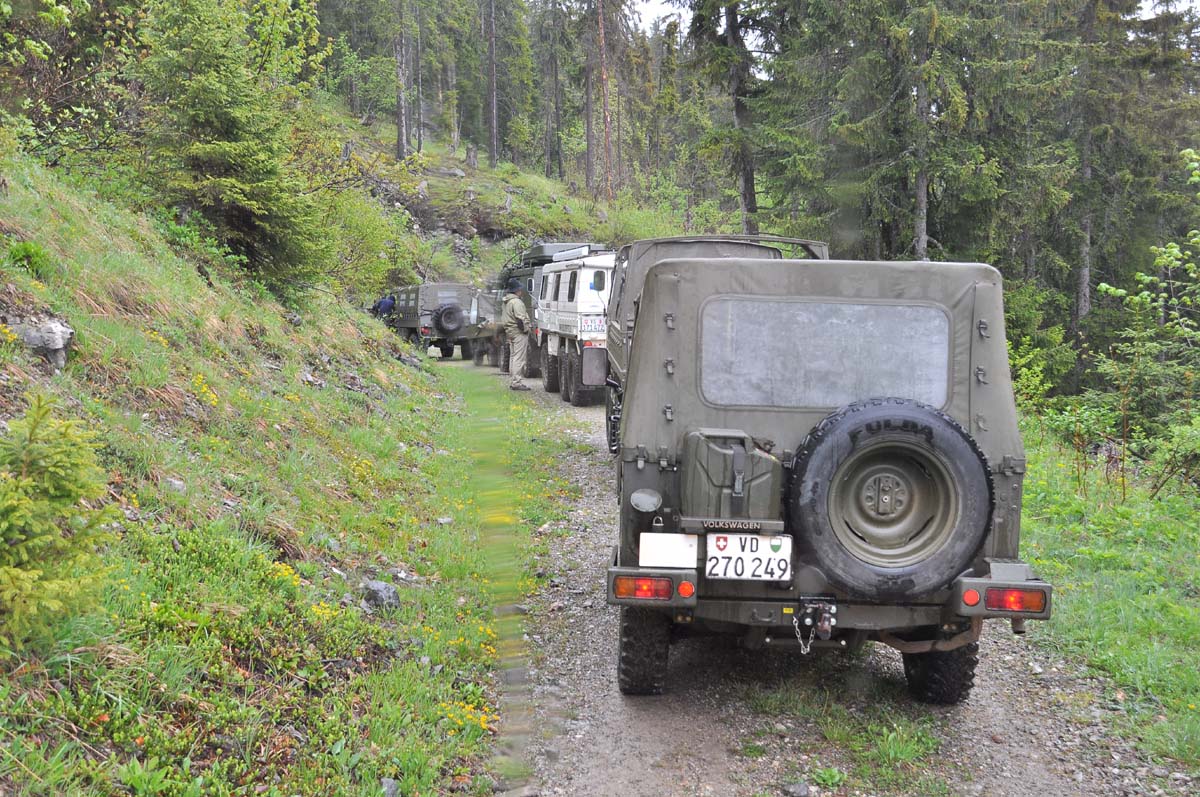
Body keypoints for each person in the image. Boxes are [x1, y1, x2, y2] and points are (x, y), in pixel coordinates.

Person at [501, 277, 532, 391]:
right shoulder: (517, 302)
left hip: (510, 331)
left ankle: (513, 380)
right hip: (518, 332)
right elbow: (520, 319)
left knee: (513, 356)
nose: (521, 291)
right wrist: (525, 330)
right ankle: (516, 382)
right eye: (520, 289)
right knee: (519, 358)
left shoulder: (506, 301)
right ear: (517, 290)